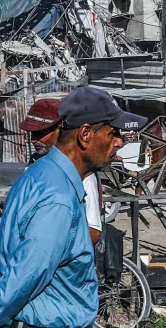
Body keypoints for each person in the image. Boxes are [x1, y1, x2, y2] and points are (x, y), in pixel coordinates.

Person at [0, 86, 145, 328]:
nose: (118, 142)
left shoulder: (37, 176)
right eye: (112, 133)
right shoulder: (59, 197)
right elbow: (27, 273)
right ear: (85, 134)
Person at [19, 98, 103, 244]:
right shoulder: (33, 166)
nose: (33, 140)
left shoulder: (82, 175)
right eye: (32, 134)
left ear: (60, 131)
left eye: (40, 133)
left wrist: (51, 249)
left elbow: (93, 232)